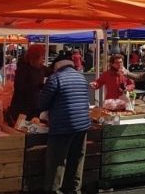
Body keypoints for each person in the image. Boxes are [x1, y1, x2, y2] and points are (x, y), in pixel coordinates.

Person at [39, 51, 91, 194]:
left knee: (57, 161)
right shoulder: (81, 77)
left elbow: (42, 103)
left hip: (62, 126)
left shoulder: (55, 78)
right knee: (76, 160)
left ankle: (54, 190)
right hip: (82, 125)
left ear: (56, 66)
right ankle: (74, 190)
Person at [7, 45, 48, 125]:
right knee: (22, 132)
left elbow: (53, 72)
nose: (43, 59)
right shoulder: (23, 68)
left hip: (34, 108)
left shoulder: (41, 68)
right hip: (22, 109)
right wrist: (39, 86)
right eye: (42, 56)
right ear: (35, 57)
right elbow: (20, 88)